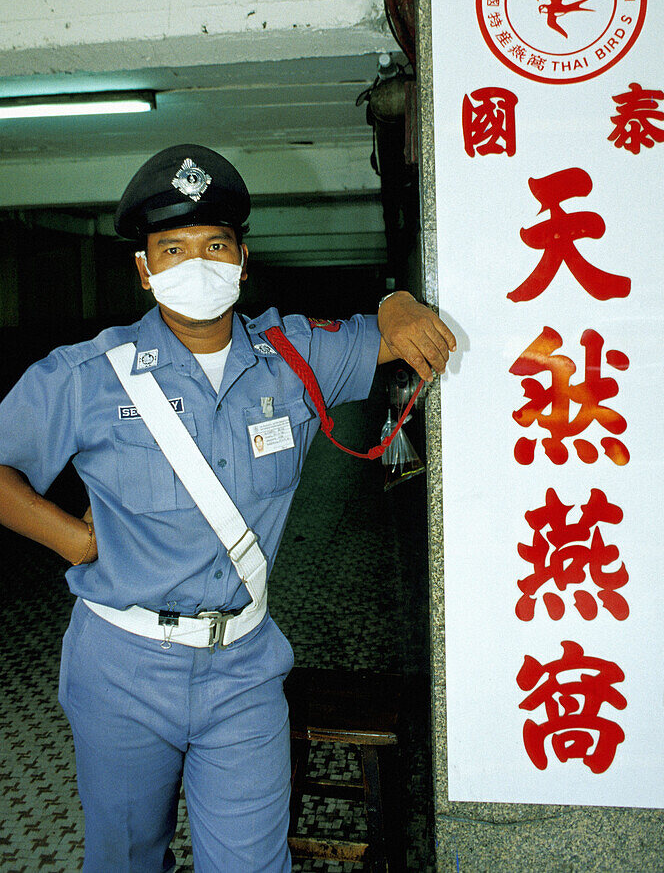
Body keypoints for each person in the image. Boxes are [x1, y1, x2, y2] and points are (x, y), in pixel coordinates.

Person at [0, 144, 456, 873]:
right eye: (172, 249)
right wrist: (71, 541)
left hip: (242, 668)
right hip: (119, 664)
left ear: (242, 261)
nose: (196, 264)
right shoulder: (85, 377)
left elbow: (390, 334)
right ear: (145, 270)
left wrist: (398, 300)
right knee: (124, 858)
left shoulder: (295, 358)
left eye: (214, 245)